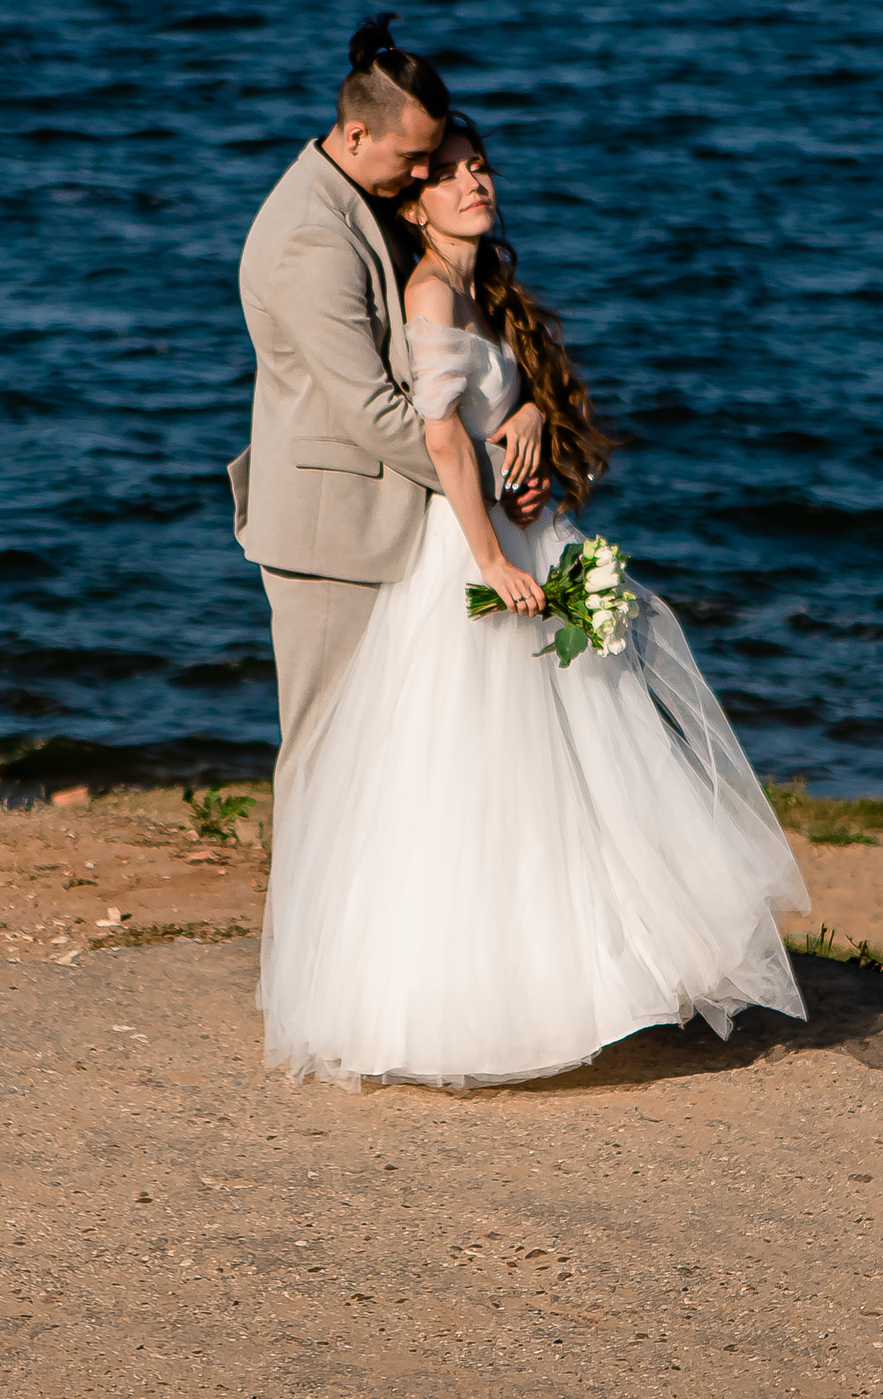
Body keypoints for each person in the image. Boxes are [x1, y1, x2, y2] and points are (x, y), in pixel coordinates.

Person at [255, 111, 809, 1089]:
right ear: (415, 202)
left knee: (564, 765)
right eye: (452, 173)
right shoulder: (428, 289)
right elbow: (435, 438)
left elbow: (474, 413)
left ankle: (587, 971)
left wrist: (522, 418)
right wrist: (491, 561)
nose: (476, 183)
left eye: (481, 167)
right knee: (474, 775)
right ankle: (471, 999)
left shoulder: (473, 296)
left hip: (506, 532)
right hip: (469, 552)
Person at [231, 17, 548, 798]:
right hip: (330, 531)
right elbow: (375, 409)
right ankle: (307, 927)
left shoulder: (356, 195)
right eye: (412, 159)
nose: (418, 177)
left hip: (384, 518)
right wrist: (496, 476)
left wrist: (526, 412)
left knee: (390, 755)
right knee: (325, 751)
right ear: (355, 130)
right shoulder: (314, 235)